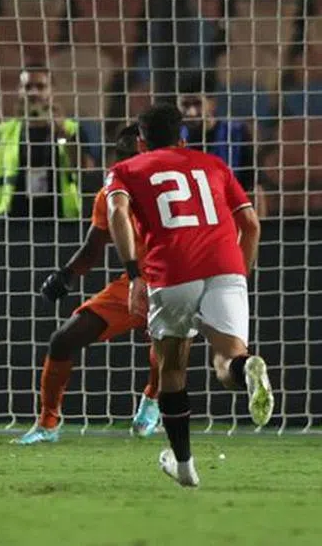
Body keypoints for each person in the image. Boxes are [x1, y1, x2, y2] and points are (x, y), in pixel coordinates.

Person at [107, 103, 272, 488]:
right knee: (228, 358)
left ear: (141, 139)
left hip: (172, 270)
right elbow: (250, 223)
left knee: (172, 369)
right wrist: (238, 275)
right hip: (225, 265)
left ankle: (184, 466)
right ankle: (245, 369)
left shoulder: (126, 170)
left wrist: (134, 275)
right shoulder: (214, 164)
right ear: (183, 136)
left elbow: (117, 212)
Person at [13, 125, 161, 445]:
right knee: (63, 339)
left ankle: (152, 401)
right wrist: (65, 275)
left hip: (174, 280)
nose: (124, 163)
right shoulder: (109, 194)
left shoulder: (165, 188)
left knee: (168, 347)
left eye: (132, 156)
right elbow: (93, 247)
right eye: (120, 157)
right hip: (132, 284)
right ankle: (47, 423)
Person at [0, 67, 94, 219]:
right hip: (12, 220)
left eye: (41, 87)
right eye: (28, 87)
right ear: (19, 91)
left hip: (60, 220)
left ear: (52, 91)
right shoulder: (3, 132)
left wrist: (63, 135)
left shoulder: (71, 129)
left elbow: (86, 171)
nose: (34, 92)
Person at [177, 71, 262, 212]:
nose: (191, 112)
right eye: (185, 105)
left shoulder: (237, 133)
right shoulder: (175, 137)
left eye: (197, 104)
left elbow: (253, 187)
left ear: (212, 104)